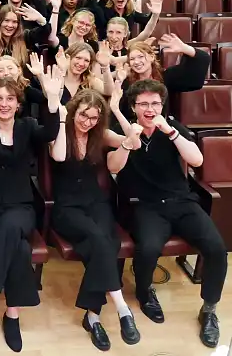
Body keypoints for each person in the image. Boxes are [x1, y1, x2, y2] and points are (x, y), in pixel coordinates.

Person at [110, 79, 226, 348]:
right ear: (134, 107)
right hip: (145, 206)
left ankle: (209, 309)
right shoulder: (124, 130)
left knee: (216, 248)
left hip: (181, 201)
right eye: (143, 104)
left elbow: (196, 160)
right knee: (148, 248)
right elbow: (114, 167)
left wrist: (172, 133)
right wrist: (128, 142)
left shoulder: (172, 128)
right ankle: (144, 291)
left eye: (154, 103)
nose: (149, 109)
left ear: (161, 106)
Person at [0, 69, 63, 352]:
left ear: (18, 103)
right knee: (19, 247)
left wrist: (53, 99)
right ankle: (12, 315)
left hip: (19, 205)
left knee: (11, 229)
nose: (4, 103)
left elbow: (51, 132)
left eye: (10, 99)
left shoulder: (28, 126)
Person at [49, 88, 141, 350]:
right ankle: (123, 308)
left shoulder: (99, 135)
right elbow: (57, 155)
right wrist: (63, 117)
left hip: (97, 203)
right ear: (74, 111)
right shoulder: (60, 131)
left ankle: (93, 316)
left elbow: (133, 142)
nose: (87, 122)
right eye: (83, 115)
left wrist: (117, 112)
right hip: (67, 208)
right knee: (102, 240)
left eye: (93, 118)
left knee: (103, 246)